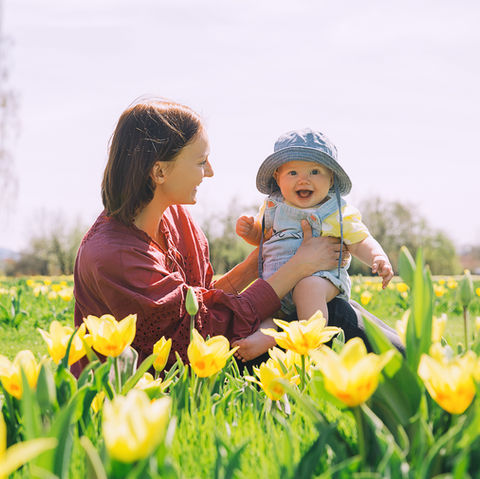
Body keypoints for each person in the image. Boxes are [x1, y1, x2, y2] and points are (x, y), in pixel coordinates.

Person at [72, 98, 370, 376]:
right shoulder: (113, 256)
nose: (210, 172)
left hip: (204, 358)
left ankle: (403, 374)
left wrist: (257, 264)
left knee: (328, 310)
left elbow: (200, 301)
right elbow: (200, 330)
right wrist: (298, 267)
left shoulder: (177, 219)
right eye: (201, 162)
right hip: (156, 386)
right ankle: (404, 379)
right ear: (160, 171)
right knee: (331, 318)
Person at [233, 128, 394, 361]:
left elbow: (360, 240)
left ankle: (312, 348)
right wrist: (252, 231)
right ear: (278, 178)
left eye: (315, 171)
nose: (303, 179)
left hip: (321, 281)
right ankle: (267, 336)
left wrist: (377, 257)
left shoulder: (335, 212)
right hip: (276, 285)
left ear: (331, 180)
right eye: (293, 172)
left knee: (307, 288)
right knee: (265, 307)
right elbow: (264, 239)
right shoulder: (272, 208)